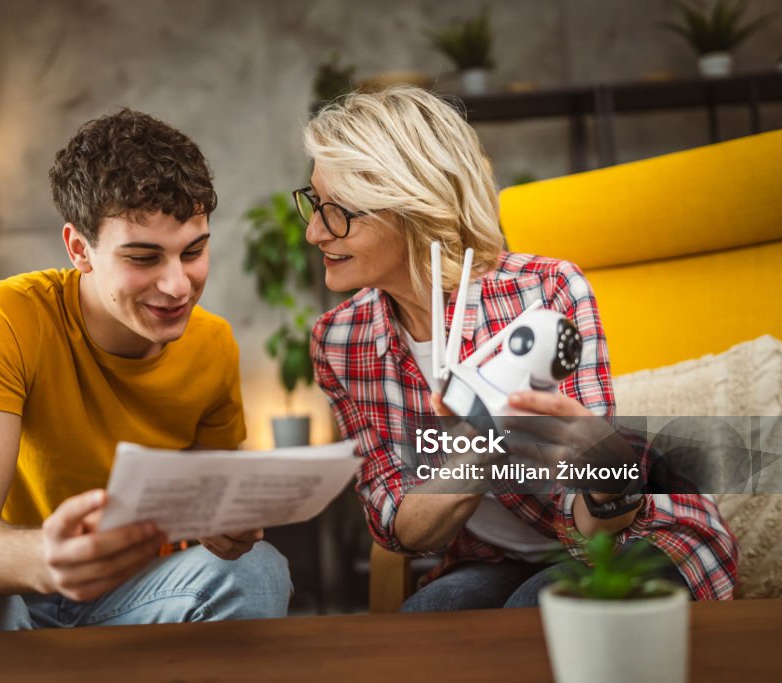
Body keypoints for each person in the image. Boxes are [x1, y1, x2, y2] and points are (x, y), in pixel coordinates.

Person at [303, 86, 737, 610]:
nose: (313, 232)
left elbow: (599, 516)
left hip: (633, 541)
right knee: (427, 619)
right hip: (491, 560)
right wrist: (481, 444)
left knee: (536, 615)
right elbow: (397, 525)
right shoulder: (339, 341)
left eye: (337, 212)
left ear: (412, 209)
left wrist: (604, 468)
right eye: (313, 202)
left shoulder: (546, 292)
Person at [0, 108, 291, 637]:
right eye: (144, 258)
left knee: (258, 570)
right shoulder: (7, 317)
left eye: (193, 251)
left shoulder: (213, 344)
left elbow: (208, 507)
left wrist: (226, 525)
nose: (178, 286)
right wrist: (46, 557)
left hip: (125, 602)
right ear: (80, 249)